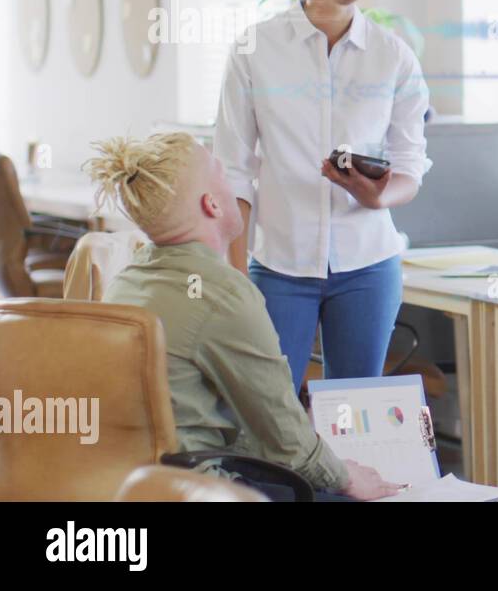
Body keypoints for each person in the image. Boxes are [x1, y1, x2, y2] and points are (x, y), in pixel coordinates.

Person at [88, 132, 403, 500]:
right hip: (199, 487)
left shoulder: (129, 279)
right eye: (223, 173)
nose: (240, 185)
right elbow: (287, 443)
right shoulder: (222, 294)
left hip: (136, 483)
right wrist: (347, 477)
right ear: (213, 205)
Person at [214, 0, 432, 392]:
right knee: (270, 411)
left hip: (368, 267)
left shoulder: (393, 55)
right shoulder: (255, 49)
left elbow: (411, 163)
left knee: (357, 419)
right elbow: (234, 172)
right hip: (279, 266)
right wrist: (235, 275)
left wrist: (379, 195)